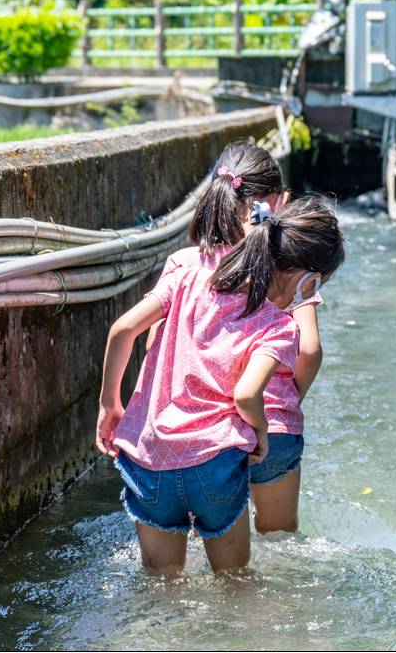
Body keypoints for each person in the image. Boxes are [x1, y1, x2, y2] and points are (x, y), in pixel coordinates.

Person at [96, 198, 344, 575]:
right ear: (308, 281)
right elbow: (247, 394)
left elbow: (122, 331)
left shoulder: (186, 272)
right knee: (235, 584)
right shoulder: (277, 325)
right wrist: (260, 431)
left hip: (148, 458)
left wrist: (110, 405)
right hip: (214, 464)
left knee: (162, 585)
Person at [152, 141, 326, 535]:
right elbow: (310, 349)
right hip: (273, 423)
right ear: (279, 202)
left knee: (211, 538)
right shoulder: (291, 267)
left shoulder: (190, 266)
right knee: (279, 539)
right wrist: (287, 399)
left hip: (198, 432)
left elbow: (156, 345)